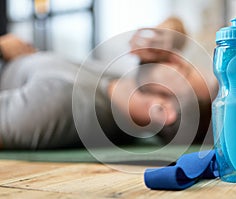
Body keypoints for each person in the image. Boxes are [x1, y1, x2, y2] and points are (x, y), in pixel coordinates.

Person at [0, 17, 216, 149]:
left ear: (163, 111)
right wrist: (166, 34)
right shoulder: (119, 78)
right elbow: (175, 26)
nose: (175, 58)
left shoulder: (60, 106)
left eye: (183, 71)